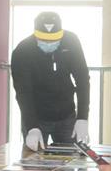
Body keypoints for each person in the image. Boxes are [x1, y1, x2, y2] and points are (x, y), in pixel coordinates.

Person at [10, 11, 90, 151]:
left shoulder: (71, 42)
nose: (49, 43)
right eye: (44, 40)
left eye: (54, 40)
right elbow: (23, 92)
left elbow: (82, 79)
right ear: (35, 35)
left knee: (69, 165)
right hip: (37, 116)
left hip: (67, 116)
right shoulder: (22, 51)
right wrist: (31, 127)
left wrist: (82, 118)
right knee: (34, 165)